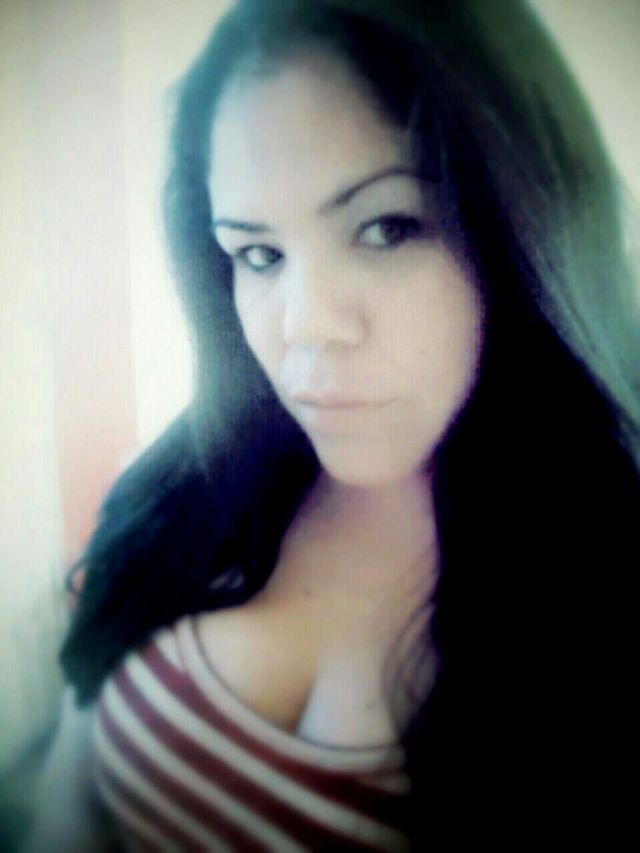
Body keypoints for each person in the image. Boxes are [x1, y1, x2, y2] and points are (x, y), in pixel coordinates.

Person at [26, 0, 640, 849]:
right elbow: (65, 803)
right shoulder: (175, 493)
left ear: (527, 226)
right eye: (259, 254)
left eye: (386, 228)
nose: (304, 324)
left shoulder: (608, 594)